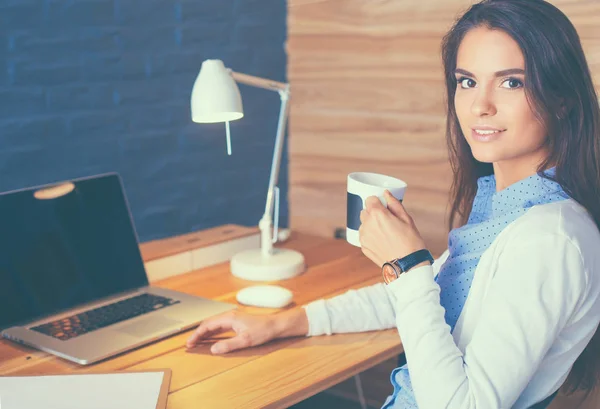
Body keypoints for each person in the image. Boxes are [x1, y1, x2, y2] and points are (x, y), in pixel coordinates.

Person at [185, 0, 600, 407]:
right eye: (466, 81)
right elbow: (430, 295)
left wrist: (407, 266)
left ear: (562, 98)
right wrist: (281, 323)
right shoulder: (509, 207)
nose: (479, 106)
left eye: (512, 82)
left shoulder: (550, 238)